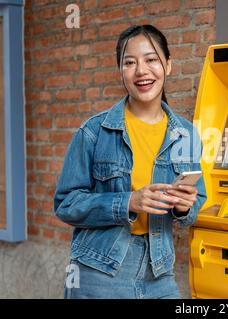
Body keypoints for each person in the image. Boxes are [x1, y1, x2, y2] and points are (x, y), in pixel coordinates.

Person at [54, 25, 207, 299]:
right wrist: (128, 202)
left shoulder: (187, 134)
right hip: (99, 272)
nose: (141, 71)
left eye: (151, 60)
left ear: (168, 66)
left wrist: (185, 207)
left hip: (159, 272)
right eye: (130, 62)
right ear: (120, 71)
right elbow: (66, 204)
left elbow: (198, 199)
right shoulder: (93, 132)